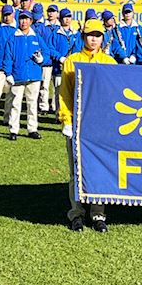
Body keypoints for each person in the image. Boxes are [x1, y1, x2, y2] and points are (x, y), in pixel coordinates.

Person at [58, 17, 116, 232]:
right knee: (76, 170)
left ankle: (98, 214)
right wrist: (66, 120)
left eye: (98, 35)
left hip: (100, 125)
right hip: (77, 123)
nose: (94, 39)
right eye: (90, 35)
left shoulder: (110, 63)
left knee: (99, 169)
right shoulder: (72, 61)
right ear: (83, 37)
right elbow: (65, 93)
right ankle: (76, 213)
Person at [4, 10, 46, 140]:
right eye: (22, 19)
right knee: (15, 104)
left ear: (31, 21)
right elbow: (8, 57)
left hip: (34, 75)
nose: (24, 21)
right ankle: (13, 129)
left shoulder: (36, 37)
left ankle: (32, 129)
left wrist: (41, 59)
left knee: (32, 103)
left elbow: (46, 52)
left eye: (26, 19)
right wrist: (8, 73)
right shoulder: (13, 37)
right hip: (18, 75)